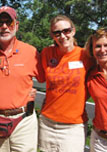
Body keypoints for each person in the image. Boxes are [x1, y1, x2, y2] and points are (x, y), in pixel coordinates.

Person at [0, 6, 45, 152]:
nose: (4, 27)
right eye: (0, 23)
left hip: (23, 120)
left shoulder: (30, 52)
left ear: (17, 25)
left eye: (9, 22)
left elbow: (46, 77)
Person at [39, 15, 94, 152]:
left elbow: (106, 68)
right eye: (57, 33)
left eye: (66, 31)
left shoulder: (86, 56)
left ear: (73, 31)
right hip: (47, 123)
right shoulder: (47, 53)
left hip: (73, 126)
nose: (62, 36)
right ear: (52, 35)